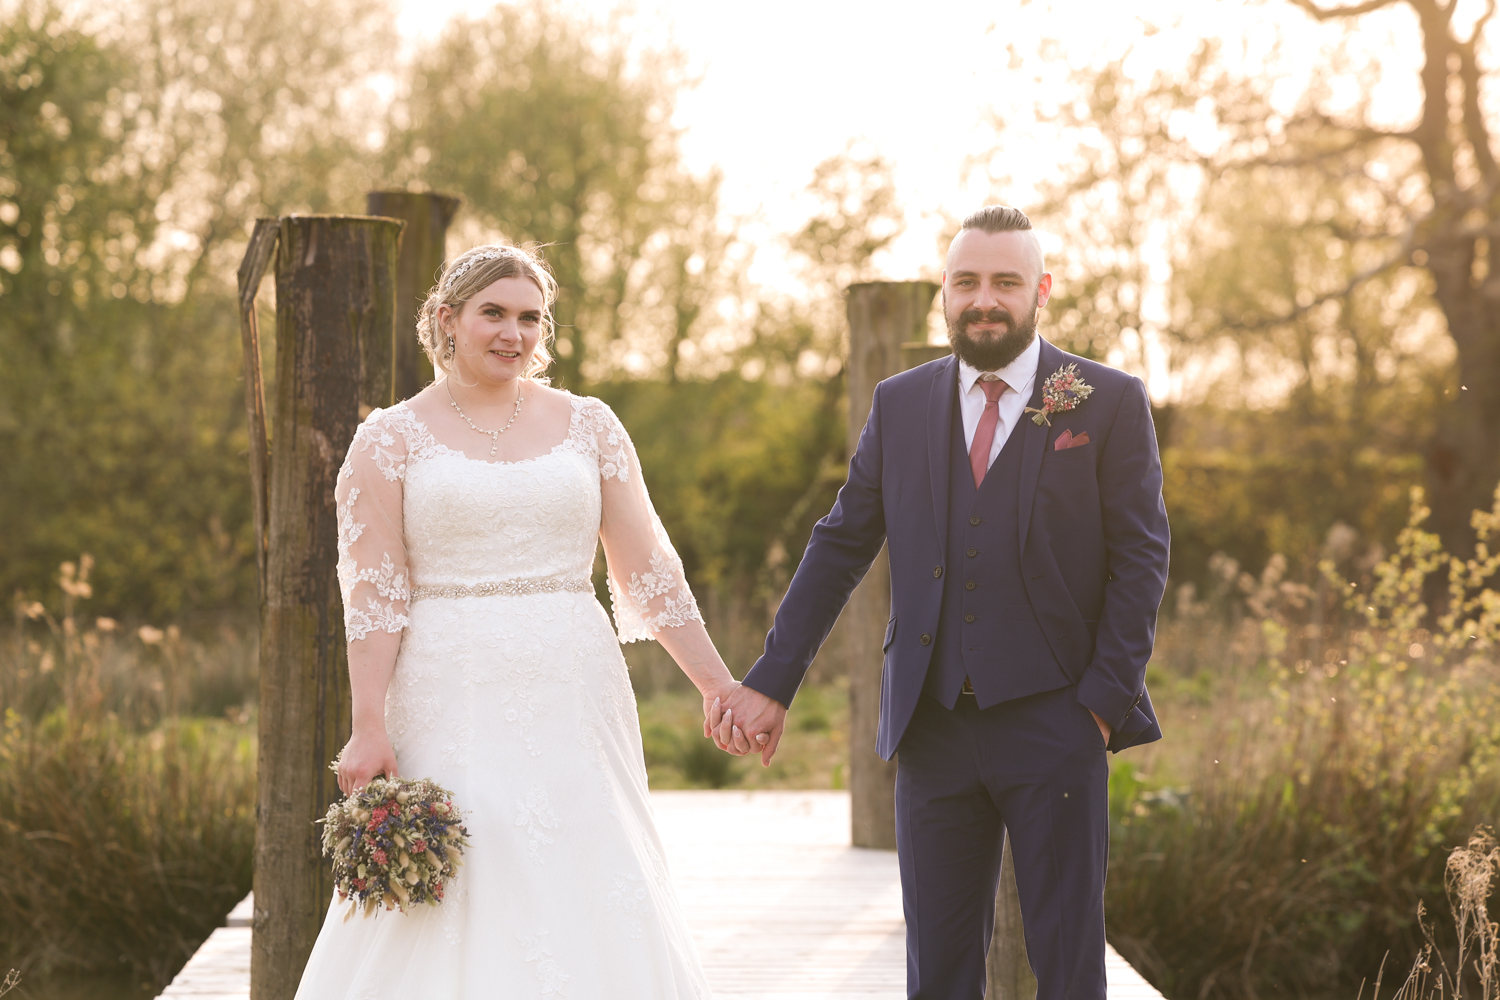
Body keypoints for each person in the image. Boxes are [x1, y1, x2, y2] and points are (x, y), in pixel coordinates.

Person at [709, 206, 1169, 1000]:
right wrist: (771, 682)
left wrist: (1099, 704)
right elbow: (841, 542)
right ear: (945, 295)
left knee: (1068, 965)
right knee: (940, 973)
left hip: (1058, 720)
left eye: (1005, 282)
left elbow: (1142, 559)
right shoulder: (902, 402)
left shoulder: (1104, 399)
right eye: (966, 282)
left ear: (1041, 291)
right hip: (932, 728)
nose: (983, 299)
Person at [295, 243, 752, 999]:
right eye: (494, 314)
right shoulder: (389, 439)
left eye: (530, 318)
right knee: (466, 864)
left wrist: (716, 683)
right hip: (447, 682)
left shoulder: (591, 426)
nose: (514, 333)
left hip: (572, 677)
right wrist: (368, 722)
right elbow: (374, 594)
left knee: (585, 852)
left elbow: (647, 572)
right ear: (447, 320)